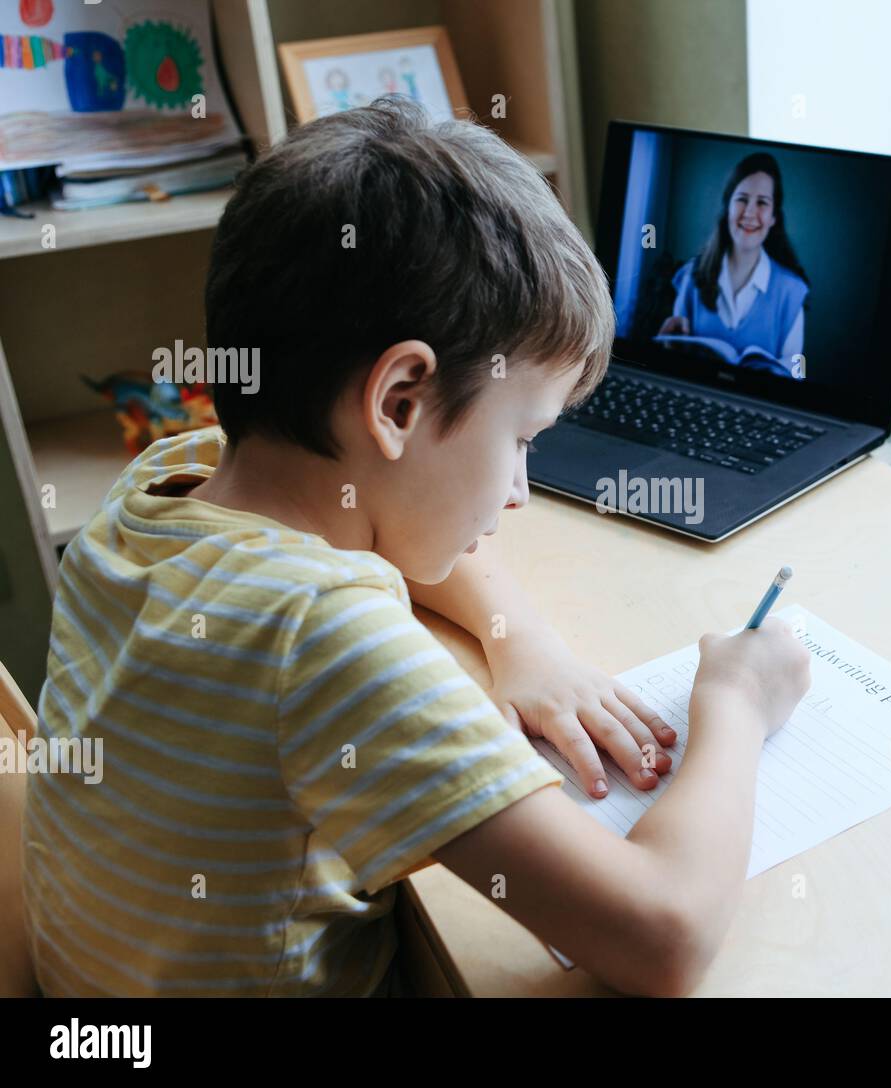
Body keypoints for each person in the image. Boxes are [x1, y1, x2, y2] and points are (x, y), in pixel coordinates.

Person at [24, 98, 811, 998]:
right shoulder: (318, 639)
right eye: (521, 437)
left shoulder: (168, 485)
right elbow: (662, 938)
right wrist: (737, 704)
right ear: (399, 402)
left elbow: (395, 531)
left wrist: (522, 640)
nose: (520, 489)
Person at [659, 152, 810, 377]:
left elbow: (796, 374)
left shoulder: (792, 291)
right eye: (741, 199)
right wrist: (668, 349)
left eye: (762, 203)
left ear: (774, 217)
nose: (749, 212)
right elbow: (677, 363)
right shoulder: (691, 275)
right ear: (728, 206)